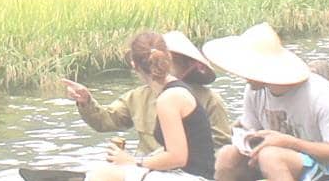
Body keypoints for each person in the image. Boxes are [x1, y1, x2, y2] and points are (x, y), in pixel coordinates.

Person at [203, 23, 329, 181]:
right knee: (227, 154)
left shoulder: (320, 93)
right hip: (276, 163)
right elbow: (252, 131)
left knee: (270, 156)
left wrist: (288, 142)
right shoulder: (254, 91)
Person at [80, 32, 219, 181]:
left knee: (98, 178)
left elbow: (178, 157)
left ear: (134, 65)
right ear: (167, 58)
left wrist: (134, 161)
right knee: (99, 177)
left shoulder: (168, 99)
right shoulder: (173, 93)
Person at [64, 30, 231, 154]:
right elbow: (106, 121)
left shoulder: (209, 100)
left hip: (185, 173)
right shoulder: (138, 97)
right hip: (145, 168)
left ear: (188, 65)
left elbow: (221, 145)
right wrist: (86, 101)